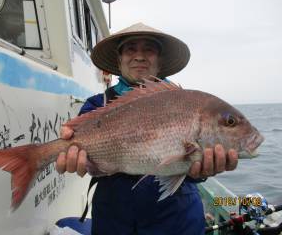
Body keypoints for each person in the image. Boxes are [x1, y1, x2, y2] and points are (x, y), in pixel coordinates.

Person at [56, 23, 238, 235]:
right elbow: (86, 158)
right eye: (130, 49)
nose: (139, 56)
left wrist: (202, 170)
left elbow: (189, 165)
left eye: (149, 49)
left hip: (176, 220)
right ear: (119, 60)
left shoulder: (186, 102)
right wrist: (76, 158)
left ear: (160, 62)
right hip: (113, 220)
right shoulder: (98, 104)